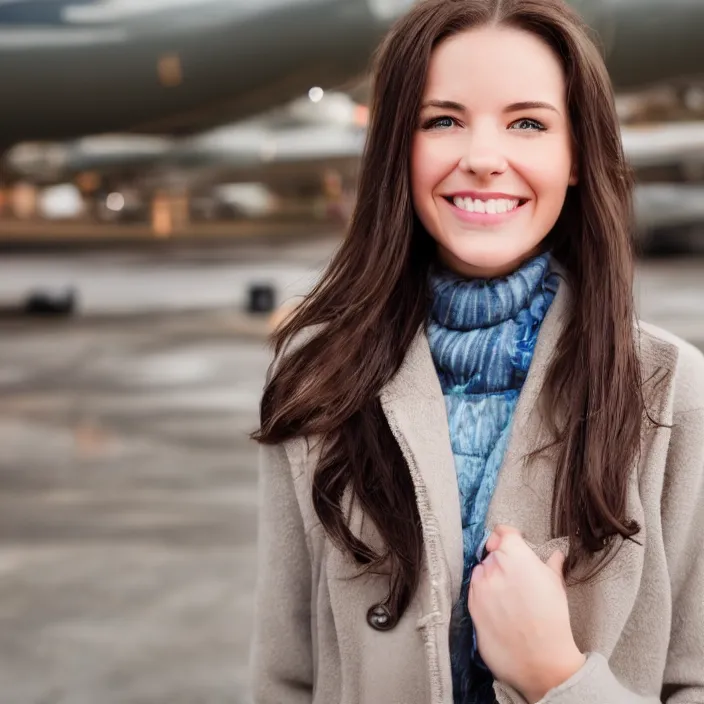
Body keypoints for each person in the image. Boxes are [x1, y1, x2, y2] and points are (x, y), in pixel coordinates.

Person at [250, 0, 704, 701]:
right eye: (443, 120)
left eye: (527, 122)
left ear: (576, 154)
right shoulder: (318, 378)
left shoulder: (670, 391)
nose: (483, 159)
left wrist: (557, 676)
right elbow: (284, 676)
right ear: (398, 147)